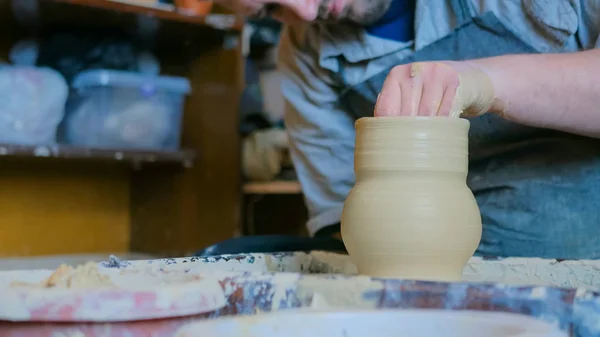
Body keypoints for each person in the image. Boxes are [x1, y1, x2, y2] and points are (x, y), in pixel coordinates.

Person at [214, 0, 600, 259]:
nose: (306, 11)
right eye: (271, 7)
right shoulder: (305, 55)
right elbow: (340, 224)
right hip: (452, 279)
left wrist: (485, 83)